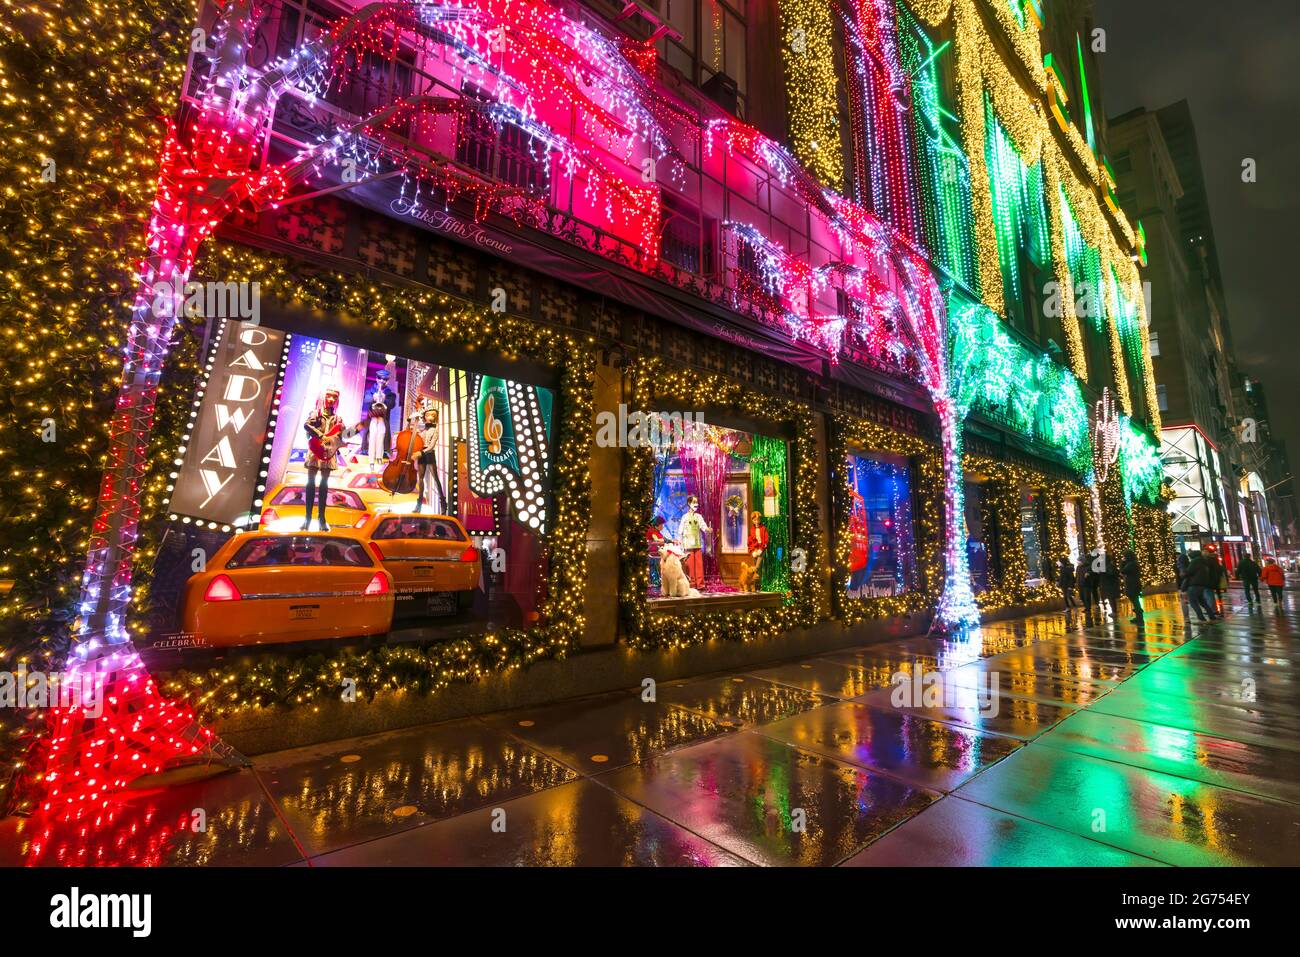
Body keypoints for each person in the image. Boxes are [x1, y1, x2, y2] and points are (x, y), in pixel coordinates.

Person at [1181, 550, 1219, 623]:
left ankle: (1201, 619)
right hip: (1202, 584)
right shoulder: (1203, 562)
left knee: (1193, 602)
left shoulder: (1195, 561)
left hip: (1194, 584)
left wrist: (1183, 573)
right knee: (1203, 602)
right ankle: (1212, 617)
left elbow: (1188, 572)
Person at [1121, 549, 1144, 626]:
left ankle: (1139, 618)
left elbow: (1122, 571)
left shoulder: (1131, 564)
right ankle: (1139, 617)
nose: (1123, 557)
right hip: (1135, 584)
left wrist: (1122, 562)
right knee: (1135, 601)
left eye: (1124, 556)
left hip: (1132, 585)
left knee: (1135, 601)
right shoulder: (1134, 563)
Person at [1204, 547, 1226, 617]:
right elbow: (1220, 570)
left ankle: (1212, 610)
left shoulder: (1208, 560)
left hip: (1209, 580)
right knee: (1210, 595)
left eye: (1205, 551)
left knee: (1209, 595)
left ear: (1207, 552)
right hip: (1215, 580)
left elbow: (1207, 571)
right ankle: (1214, 609)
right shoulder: (1215, 560)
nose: (1203, 552)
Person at [1077, 553, 1096, 627]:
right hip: (1080, 584)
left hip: (1086, 584)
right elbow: (1077, 575)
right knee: (1082, 597)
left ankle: (1088, 608)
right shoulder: (1078, 567)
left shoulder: (1088, 566)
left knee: (1086, 596)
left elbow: (1092, 572)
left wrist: (1088, 574)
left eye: (1079, 561)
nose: (1078, 562)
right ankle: (1086, 607)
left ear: (1082, 561)